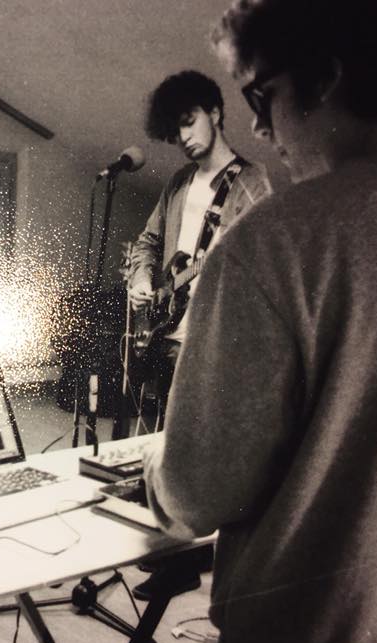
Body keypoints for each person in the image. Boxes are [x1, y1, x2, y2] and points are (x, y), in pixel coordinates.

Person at [143, 1, 377, 643]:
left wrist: (158, 465)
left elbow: (195, 495)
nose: (260, 126)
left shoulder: (270, 243)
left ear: (324, 78)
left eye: (262, 97)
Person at [127, 70, 271, 428]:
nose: (184, 137)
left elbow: (263, 269)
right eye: (175, 131)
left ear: (215, 113)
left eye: (189, 122)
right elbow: (148, 241)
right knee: (160, 437)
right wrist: (142, 280)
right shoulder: (179, 182)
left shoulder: (252, 182)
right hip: (166, 337)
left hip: (213, 348)